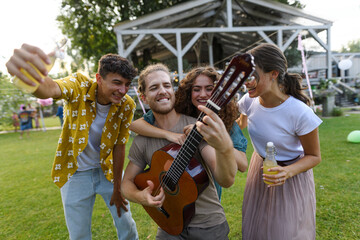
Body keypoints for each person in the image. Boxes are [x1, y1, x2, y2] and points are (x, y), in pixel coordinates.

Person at [6, 44, 138, 240]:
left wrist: (118, 188)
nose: (122, 90)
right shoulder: (79, 85)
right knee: (78, 235)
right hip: (75, 173)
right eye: (117, 82)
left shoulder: (127, 105)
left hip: (107, 171)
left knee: (126, 224)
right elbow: (50, 88)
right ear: (98, 78)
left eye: (127, 84)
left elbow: (120, 146)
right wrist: (30, 79)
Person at [121, 63, 237, 239]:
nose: (162, 91)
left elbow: (226, 180)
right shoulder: (142, 140)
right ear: (143, 98)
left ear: (173, 91)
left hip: (208, 225)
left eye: (167, 85)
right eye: (154, 87)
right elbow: (126, 183)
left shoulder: (196, 127)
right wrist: (140, 197)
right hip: (169, 224)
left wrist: (224, 148)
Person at [238, 43, 322, 239]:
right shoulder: (248, 101)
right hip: (259, 170)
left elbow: (314, 156)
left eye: (252, 75)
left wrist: (287, 172)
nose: (246, 83)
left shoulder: (300, 113)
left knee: (285, 231)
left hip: (290, 176)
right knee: (257, 227)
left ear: (273, 74)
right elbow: (239, 124)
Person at [129, 66, 248, 201]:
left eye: (209, 89)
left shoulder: (225, 120)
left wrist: (208, 136)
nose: (203, 94)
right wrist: (168, 134)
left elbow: (243, 165)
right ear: (188, 92)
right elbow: (134, 124)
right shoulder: (179, 111)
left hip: (210, 188)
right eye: (196, 89)